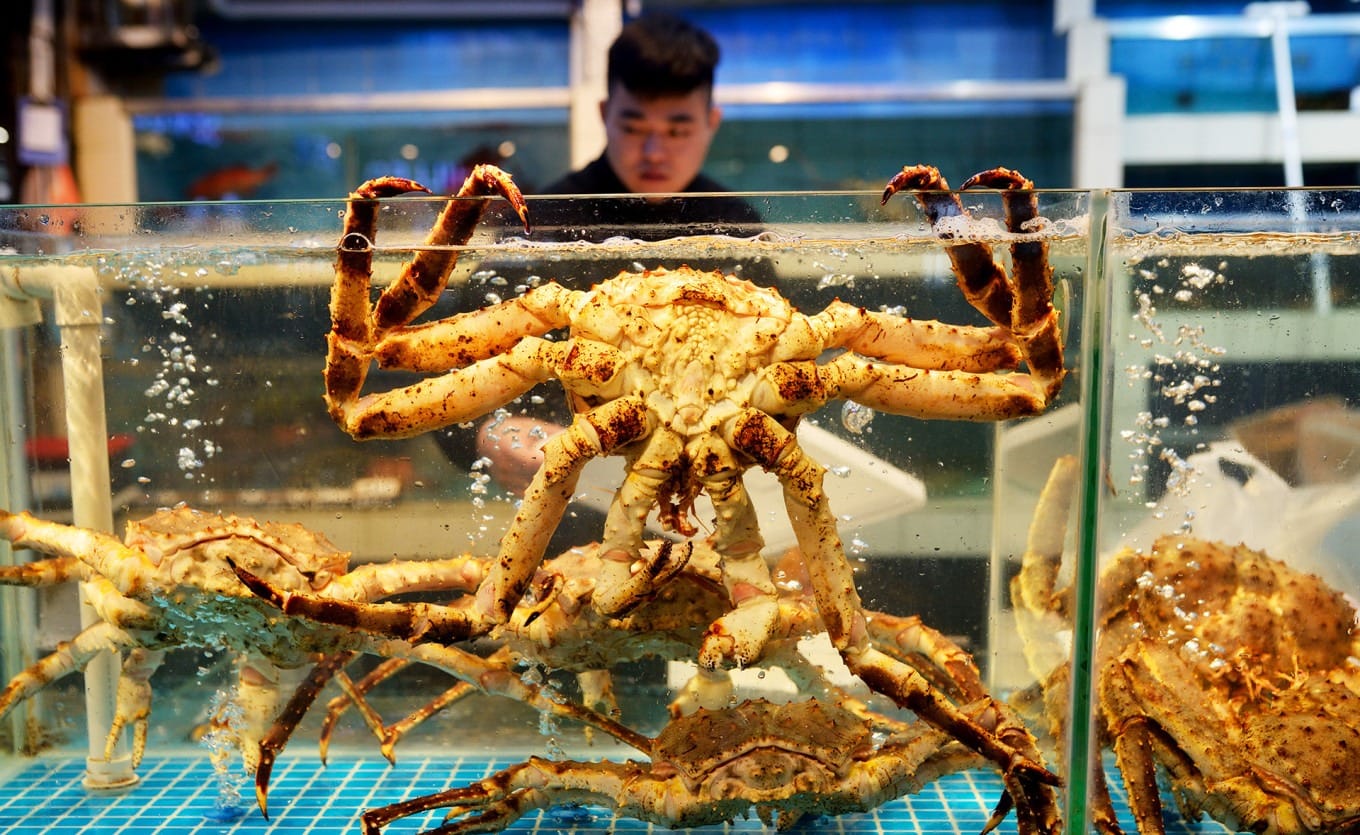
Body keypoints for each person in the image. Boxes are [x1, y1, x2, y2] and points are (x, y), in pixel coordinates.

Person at [437, 12, 765, 506]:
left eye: (677, 129)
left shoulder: (738, 226)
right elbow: (446, 381)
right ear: (604, 112)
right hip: (571, 515)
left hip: (714, 513)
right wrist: (490, 432)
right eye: (635, 126)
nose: (654, 150)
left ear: (710, 122)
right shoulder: (538, 225)